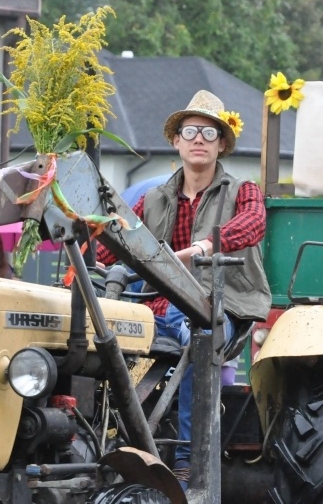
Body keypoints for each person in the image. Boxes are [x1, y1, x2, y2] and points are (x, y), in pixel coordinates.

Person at [95, 90, 272, 489]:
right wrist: (83, 256)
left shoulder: (243, 191)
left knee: (197, 328)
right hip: (157, 307)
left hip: (220, 305)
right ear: (175, 140)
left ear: (222, 145)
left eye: (209, 133)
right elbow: (115, 246)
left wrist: (205, 247)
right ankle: (100, 442)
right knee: (99, 330)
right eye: (189, 131)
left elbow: (252, 225)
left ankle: (187, 462)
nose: (198, 139)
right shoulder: (152, 199)